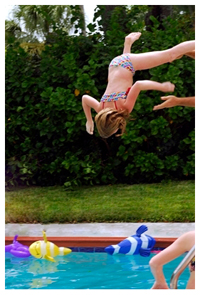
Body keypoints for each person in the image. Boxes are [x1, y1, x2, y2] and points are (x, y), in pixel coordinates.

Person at [82, 32, 195, 138]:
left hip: (128, 63)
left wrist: (161, 86)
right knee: (127, 74)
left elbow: (139, 85)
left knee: (170, 55)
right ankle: (128, 42)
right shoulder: (100, 108)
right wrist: (89, 120)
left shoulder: (124, 108)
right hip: (115, 64)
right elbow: (85, 98)